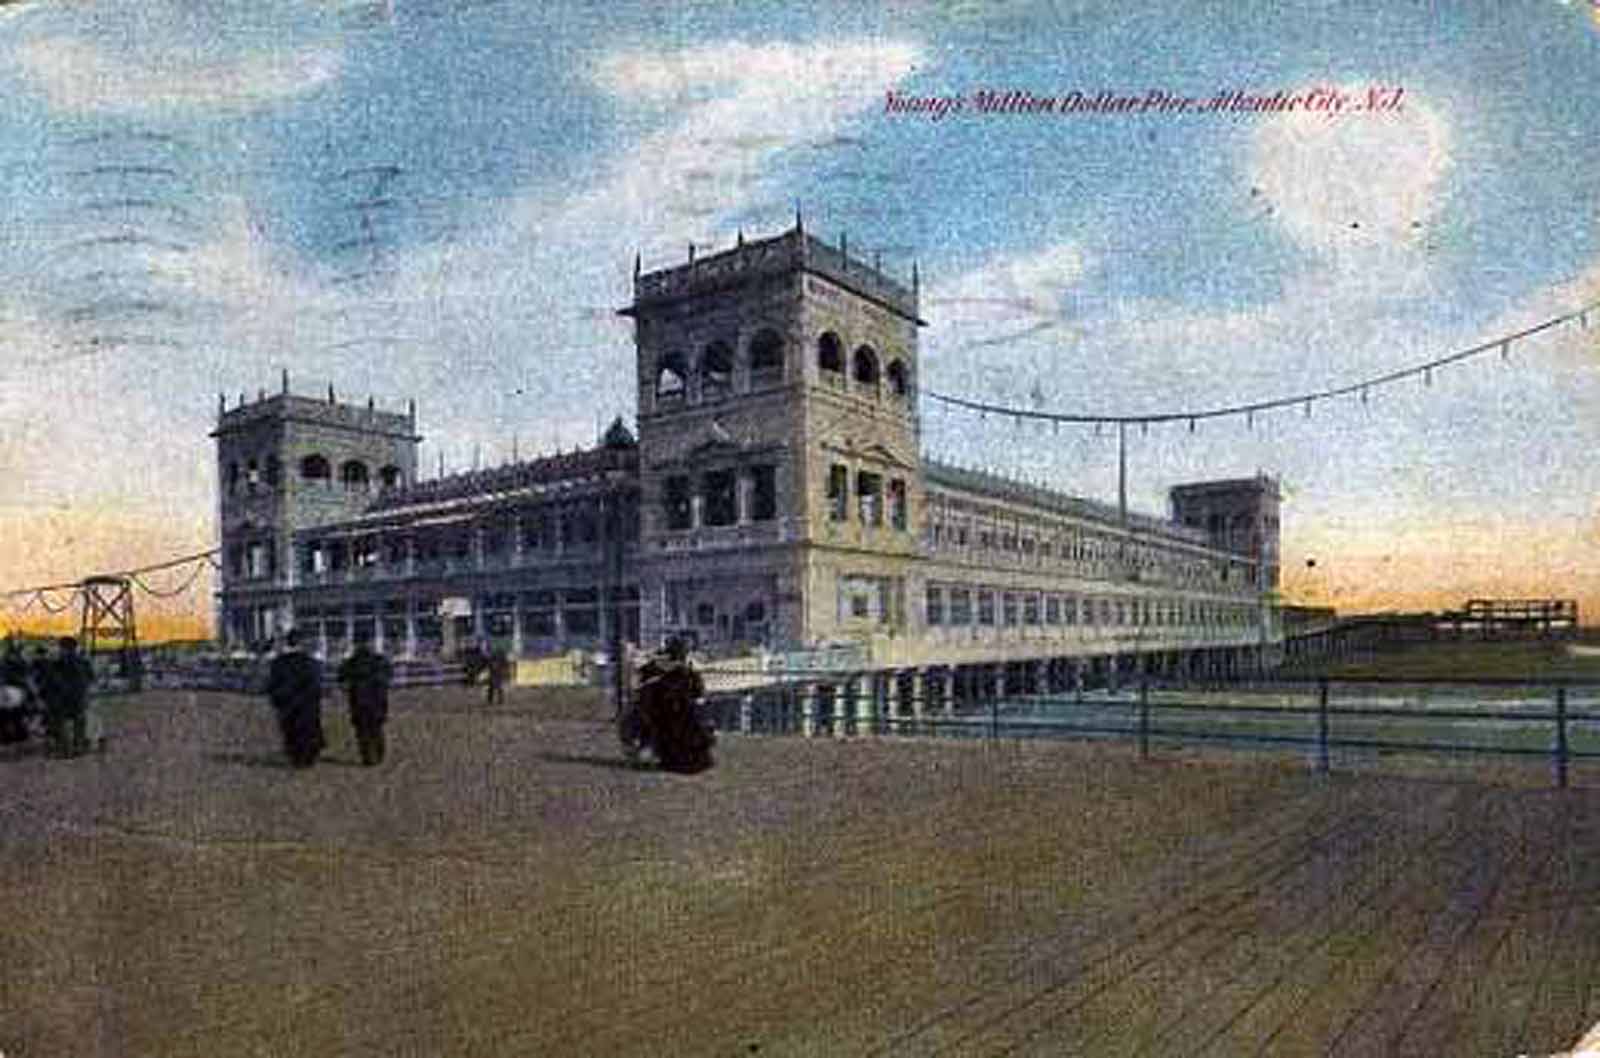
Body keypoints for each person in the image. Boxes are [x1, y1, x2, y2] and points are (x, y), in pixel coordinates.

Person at [635, 638, 713, 774]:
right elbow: (700, 696)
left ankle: (652, 748)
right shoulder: (690, 674)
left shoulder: (666, 672)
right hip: (688, 725)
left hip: (673, 722)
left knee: (657, 719)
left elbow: (648, 688)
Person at [264, 629, 325, 768]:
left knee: (291, 731)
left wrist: (276, 700)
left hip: (287, 703)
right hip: (307, 704)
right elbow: (316, 683)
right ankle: (308, 757)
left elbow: (272, 684)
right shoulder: (311, 662)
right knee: (308, 730)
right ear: (302, 642)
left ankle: (296, 757)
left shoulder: (278, 663)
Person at [337, 636, 393, 766]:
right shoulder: (379, 660)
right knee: (376, 729)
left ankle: (367, 756)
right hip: (377, 700)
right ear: (370, 643)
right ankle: (378, 754)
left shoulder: (350, 662)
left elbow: (341, 679)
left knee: (362, 731)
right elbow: (389, 675)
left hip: (358, 700)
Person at [44, 637, 94, 758]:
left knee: (59, 721)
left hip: (64, 698)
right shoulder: (83, 661)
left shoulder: (58, 663)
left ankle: (65, 748)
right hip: (79, 696)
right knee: (79, 721)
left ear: (63, 648)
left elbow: (51, 680)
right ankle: (78, 746)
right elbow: (91, 677)